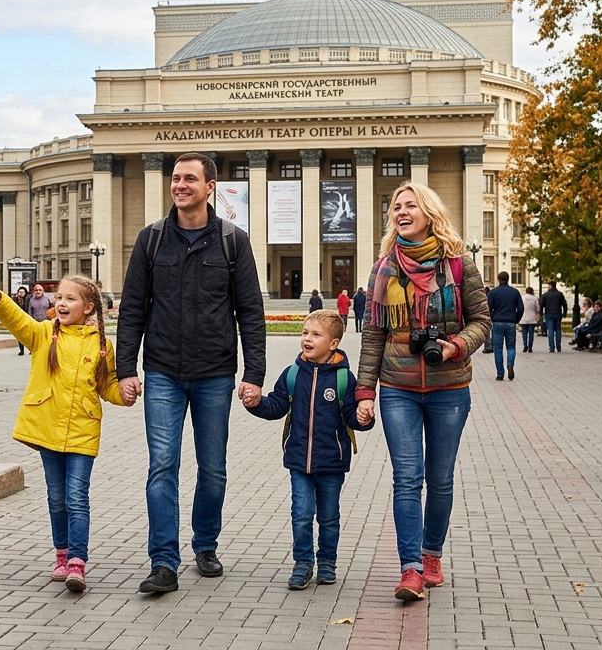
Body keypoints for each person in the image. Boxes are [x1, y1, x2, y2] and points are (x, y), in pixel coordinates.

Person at [116, 152, 267, 595]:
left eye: (189, 179)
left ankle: (205, 545)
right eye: (175, 178)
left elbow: (251, 314)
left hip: (215, 374)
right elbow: (131, 312)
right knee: (162, 467)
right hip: (162, 371)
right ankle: (164, 561)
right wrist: (127, 368)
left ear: (210, 187)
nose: (179, 185)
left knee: (213, 469)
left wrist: (253, 373)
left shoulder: (232, 241)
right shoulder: (151, 240)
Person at [354, 181, 490, 601]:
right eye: (397, 206)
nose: (402, 211)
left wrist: (455, 345)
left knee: (441, 479)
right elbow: (373, 336)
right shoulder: (384, 269)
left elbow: (482, 321)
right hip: (399, 388)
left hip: (450, 386)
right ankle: (410, 568)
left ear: (429, 212)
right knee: (407, 478)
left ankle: (432, 555)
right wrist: (364, 392)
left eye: (411, 205)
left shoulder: (458, 265)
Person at [0, 274, 134, 592]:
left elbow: (107, 386)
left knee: (77, 497)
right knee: (57, 498)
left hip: (82, 430)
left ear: (88, 307)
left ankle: (77, 561)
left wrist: (126, 393)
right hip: (48, 428)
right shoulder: (44, 334)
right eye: (59, 297)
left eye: (70, 298)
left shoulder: (102, 345)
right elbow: (19, 322)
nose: (61, 303)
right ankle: (61, 554)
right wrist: (0, 300)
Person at [241, 310, 374, 589]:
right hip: (299, 460)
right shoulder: (292, 374)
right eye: (305, 333)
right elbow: (276, 406)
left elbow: (350, 416)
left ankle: (327, 562)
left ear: (334, 343)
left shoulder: (343, 379)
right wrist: (255, 404)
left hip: (332, 461)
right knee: (301, 514)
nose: (307, 339)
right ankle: (302, 563)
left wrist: (364, 418)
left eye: (316, 335)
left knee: (329, 516)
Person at [486, 272, 523, 380]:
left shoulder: (493, 293)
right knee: (511, 347)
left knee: (498, 348)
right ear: (508, 279)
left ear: (498, 279)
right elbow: (520, 308)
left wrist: (493, 317)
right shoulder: (515, 292)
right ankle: (510, 364)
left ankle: (500, 373)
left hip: (497, 322)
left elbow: (488, 308)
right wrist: (516, 319)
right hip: (511, 321)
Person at [539, 281, 568, 352]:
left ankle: (551, 347)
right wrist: (564, 313)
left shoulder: (545, 295)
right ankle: (558, 347)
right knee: (558, 329)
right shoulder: (560, 294)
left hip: (549, 314)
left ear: (551, 286)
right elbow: (564, 304)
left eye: (548, 286)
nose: (548, 287)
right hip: (558, 313)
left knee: (550, 330)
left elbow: (541, 305)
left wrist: (541, 314)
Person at [519, 286, 539, 353]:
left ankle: (525, 346)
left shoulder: (522, 298)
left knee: (524, 334)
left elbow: (519, 307)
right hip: (532, 318)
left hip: (523, 318)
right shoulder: (534, 298)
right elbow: (537, 308)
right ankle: (530, 347)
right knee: (531, 334)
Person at [12, 287, 30, 355]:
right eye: (20, 292)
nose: (21, 293)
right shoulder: (15, 299)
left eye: (23, 292)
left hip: (26, 318)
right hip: (18, 319)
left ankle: (30, 349)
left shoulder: (28, 299)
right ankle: (21, 350)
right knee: (20, 335)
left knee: (28, 335)